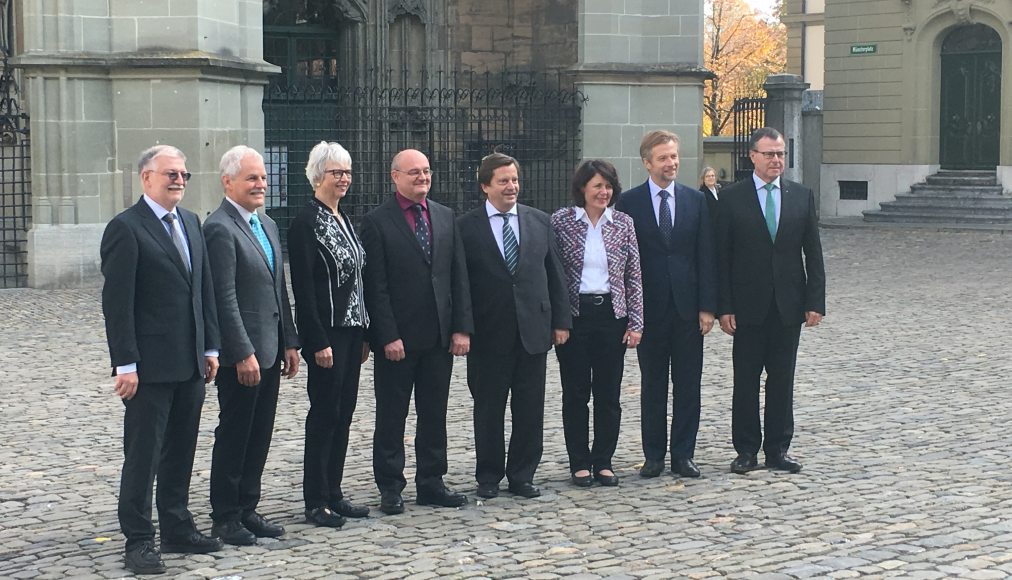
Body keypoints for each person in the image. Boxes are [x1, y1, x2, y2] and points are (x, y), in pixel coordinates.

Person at [100, 145, 223, 575]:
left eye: (184, 175)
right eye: (170, 173)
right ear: (145, 177)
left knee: (181, 450)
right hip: (149, 367)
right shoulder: (126, 228)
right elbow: (117, 304)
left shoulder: (191, 222)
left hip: (190, 361)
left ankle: (177, 525)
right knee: (143, 455)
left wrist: (210, 347)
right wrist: (126, 364)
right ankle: (138, 539)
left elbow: (202, 290)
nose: (179, 181)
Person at [360, 149, 474, 515]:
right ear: (395, 176)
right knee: (392, 415)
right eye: (414, 173)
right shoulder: (377, 221)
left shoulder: (444, 216)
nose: (422, 178)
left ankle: (431, 481)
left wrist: (461, 328)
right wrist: (387, 336)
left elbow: (458, 278)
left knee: (434, 413)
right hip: (398, 341)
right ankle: (390, 486)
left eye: (426, 172)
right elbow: (375, 286)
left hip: (439, 337)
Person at [457, 153, 571, 499]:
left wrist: (561, 320)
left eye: (515, 180)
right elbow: (460, 283)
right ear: (485, 186)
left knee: (529, 407)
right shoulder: (465, 227)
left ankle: (522, 474)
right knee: (488, 408)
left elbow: (555, 274)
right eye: (503, 181)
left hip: (533, 330)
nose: (511, 186)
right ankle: (488, 476)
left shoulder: (539, 221)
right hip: (489, 333)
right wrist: (463, 327)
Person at [204, 145, 300, 545]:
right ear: (228, 182)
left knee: (260, 432)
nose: (260, 184)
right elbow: (223, 297)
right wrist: (241, 352)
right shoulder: (219, 228)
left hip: (271, 348)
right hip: (241, 356)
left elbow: (279, 289)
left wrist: (290, 343)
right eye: (252, 178)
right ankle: (225, 515)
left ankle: (248, 506)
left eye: (262, 177)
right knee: (236, 432)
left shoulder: (269, 225)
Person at [717, 127, 826, 475]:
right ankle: (746, 449)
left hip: (788, 306)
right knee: (745, 382)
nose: (776, 160)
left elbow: (813, 252)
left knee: (782, 380)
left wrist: (815, 301)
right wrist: (724, 306)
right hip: (747, 307)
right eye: (769, 154)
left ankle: (778, 448)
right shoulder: (732, 198)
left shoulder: (800, 195)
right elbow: (722, 257)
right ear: (752, 157)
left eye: (780, 154)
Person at [615, 130, 717, 480]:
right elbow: (625, 261)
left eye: (674, 156)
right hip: (649, 309)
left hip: (689, 310)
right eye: (663, 158)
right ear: (647, 162)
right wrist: (631, 313)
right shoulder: (629, 203)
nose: (671, 163)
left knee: (689, 385)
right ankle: (654, 455)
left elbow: (707, 255)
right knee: (653, 385)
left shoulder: (696, 200)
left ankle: (684, 455)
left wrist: (707, 307)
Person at [287, 141, 372, 527]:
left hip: (353, 331)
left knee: (344, 413)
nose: (344, 179)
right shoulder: (307, 222)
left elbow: (357, 279)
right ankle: (315, 498)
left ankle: (334, 491)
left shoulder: (345, 218)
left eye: (348, 172)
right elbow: (304, 289)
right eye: (337, 172)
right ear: (318, 174)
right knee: (324, 413)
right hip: (327, 334)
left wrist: (365, 332)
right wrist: (316, 340)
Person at [551, 159, 643, 487]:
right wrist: (558, 320)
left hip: (611, 316)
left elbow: (633, 275)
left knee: (609, 393)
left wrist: (636, 322)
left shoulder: (623, 223)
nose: (603, 192)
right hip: (575, 317)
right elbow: (555, 274)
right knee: (575, 392)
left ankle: (603, 460)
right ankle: (579, 462)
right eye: (597, 186)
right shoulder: (561, 221)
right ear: (582, 189)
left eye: (607, 186)